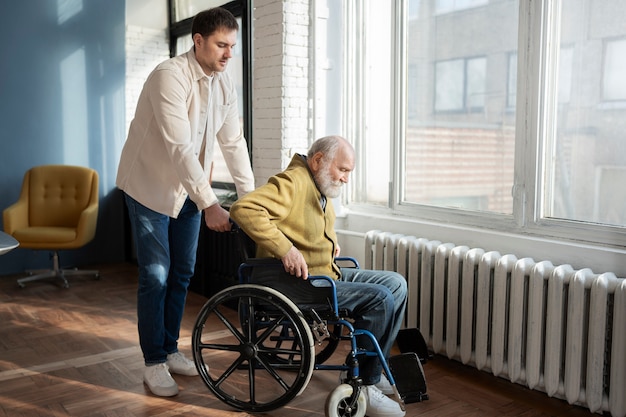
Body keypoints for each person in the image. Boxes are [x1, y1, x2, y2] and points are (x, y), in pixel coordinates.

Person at [115, 7, 254, 397]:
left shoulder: (224, 84)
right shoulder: (169, 77)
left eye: (233, 46)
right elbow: (179, 148)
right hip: (150, 190)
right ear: (198, 41)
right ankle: (153, 362)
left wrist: (250, 197)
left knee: (181, 274)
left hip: (192, 193)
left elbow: (233, 143)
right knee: (156, 275)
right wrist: (211, 203)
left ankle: (170, 349)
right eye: (222, 45)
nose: (229, 54)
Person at [229, 135, 407, 417]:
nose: (346, 178)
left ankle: (372, 366)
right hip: (295, 282)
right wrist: (285, 249)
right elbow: (243, 209)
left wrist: (330, 242)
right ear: (318, 161)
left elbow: (311, 223)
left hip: (324, 273)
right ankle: (365, 384)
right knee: (380, 299)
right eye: (343, 170)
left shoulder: (320, 186)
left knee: (396, 284)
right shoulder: (292, 181)